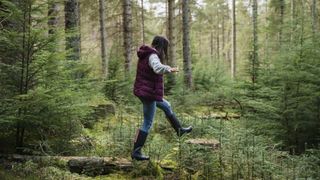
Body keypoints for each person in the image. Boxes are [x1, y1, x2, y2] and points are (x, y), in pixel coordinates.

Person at [132, 36, 192, 161]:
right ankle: (136, 152)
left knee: (167, 105)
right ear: (161, 46)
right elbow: (157, 68)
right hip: (148, 94)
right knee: (147, 122)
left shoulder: (146, 54)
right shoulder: (153, 55)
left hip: (147, 92)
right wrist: (170, 68)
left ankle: (180, 130)